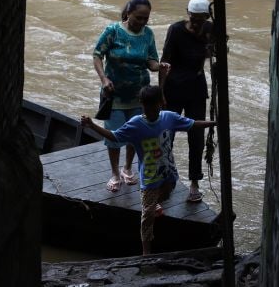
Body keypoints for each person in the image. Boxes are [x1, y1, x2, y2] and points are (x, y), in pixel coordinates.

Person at [80, 85, 216, 255]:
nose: (151, 110)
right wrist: (92, 125)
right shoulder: (136, 124)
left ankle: (154, 204)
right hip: (150, 179)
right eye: (147, 106)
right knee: (147, 216)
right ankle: (146, 253)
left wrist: (214, 123)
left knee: (166, 195)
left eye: (154, 106)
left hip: (169, 174)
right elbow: (114, 136)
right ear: (141, 105)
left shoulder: (169, 118)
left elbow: (193, 124)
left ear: (161, 103)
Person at [92, 0, 170, 192]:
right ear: (128, 14)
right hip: (114, 94)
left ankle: (127, 168)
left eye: (146, 18)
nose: (142, 22)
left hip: (139, 94)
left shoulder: (148, 34)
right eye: (139, 18)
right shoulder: (113, 31)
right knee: (114, 135)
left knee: (136, 133)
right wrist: (104, 79)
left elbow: (151, 61)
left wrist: (159, 66)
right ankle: (115, 173)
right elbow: (97, 55)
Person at [159, 0, 213, 202]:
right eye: (194, 18)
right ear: (187, 14)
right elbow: (165, 61)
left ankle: (194, 182)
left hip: (196, 89)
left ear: (207, 17)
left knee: (196, 136)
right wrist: (161, 92)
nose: (197, 23)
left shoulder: (210, 29)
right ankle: (164, 178)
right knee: (166, 135)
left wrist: (212, 50)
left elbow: (218, 52)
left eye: (202, 19)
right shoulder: (175, 29)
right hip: (174, 88)